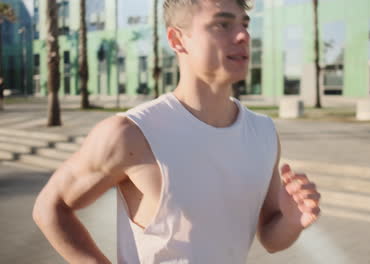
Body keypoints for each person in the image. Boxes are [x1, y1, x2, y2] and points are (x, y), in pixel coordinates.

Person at [32, 0, 321, 263]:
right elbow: (49, 207)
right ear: (177, 39)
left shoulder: (263, 132)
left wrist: (293, 220)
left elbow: (271, 236)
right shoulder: (131, 133)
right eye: (222, 24)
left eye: (244, 24)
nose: (243, 35)